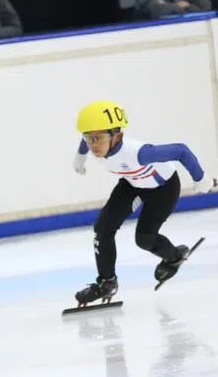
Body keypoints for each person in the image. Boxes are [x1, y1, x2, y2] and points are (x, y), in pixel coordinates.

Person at [71, 100, 216, 306]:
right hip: (133, 183)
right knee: (103, 228)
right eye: (88, 139)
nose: (92, 145)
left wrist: (201, 179)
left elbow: (181, 150)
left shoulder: (139, 153)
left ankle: (174, 256)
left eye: (97, 139)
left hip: (163, 188)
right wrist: (80, 156)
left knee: (144, 239)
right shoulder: (99, 143)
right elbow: (87, 136)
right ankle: (107, 282)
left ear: (117, 136)